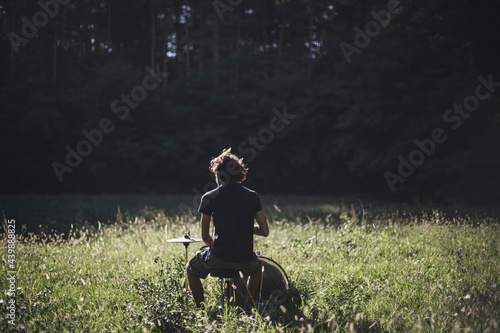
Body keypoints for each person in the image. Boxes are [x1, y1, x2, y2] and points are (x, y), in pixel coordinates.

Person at [185, 148, 270, 309]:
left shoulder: (209, 197)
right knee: (257, 268)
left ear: (219, 174)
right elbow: (264, 232)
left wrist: (217, 244)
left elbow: (205, 237)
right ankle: (247, 307)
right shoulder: (252, 196)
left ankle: (200, 309)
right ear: (240, 173)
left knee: (190, 268)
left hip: (218, 257)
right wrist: (243, 226)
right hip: (245, 260)